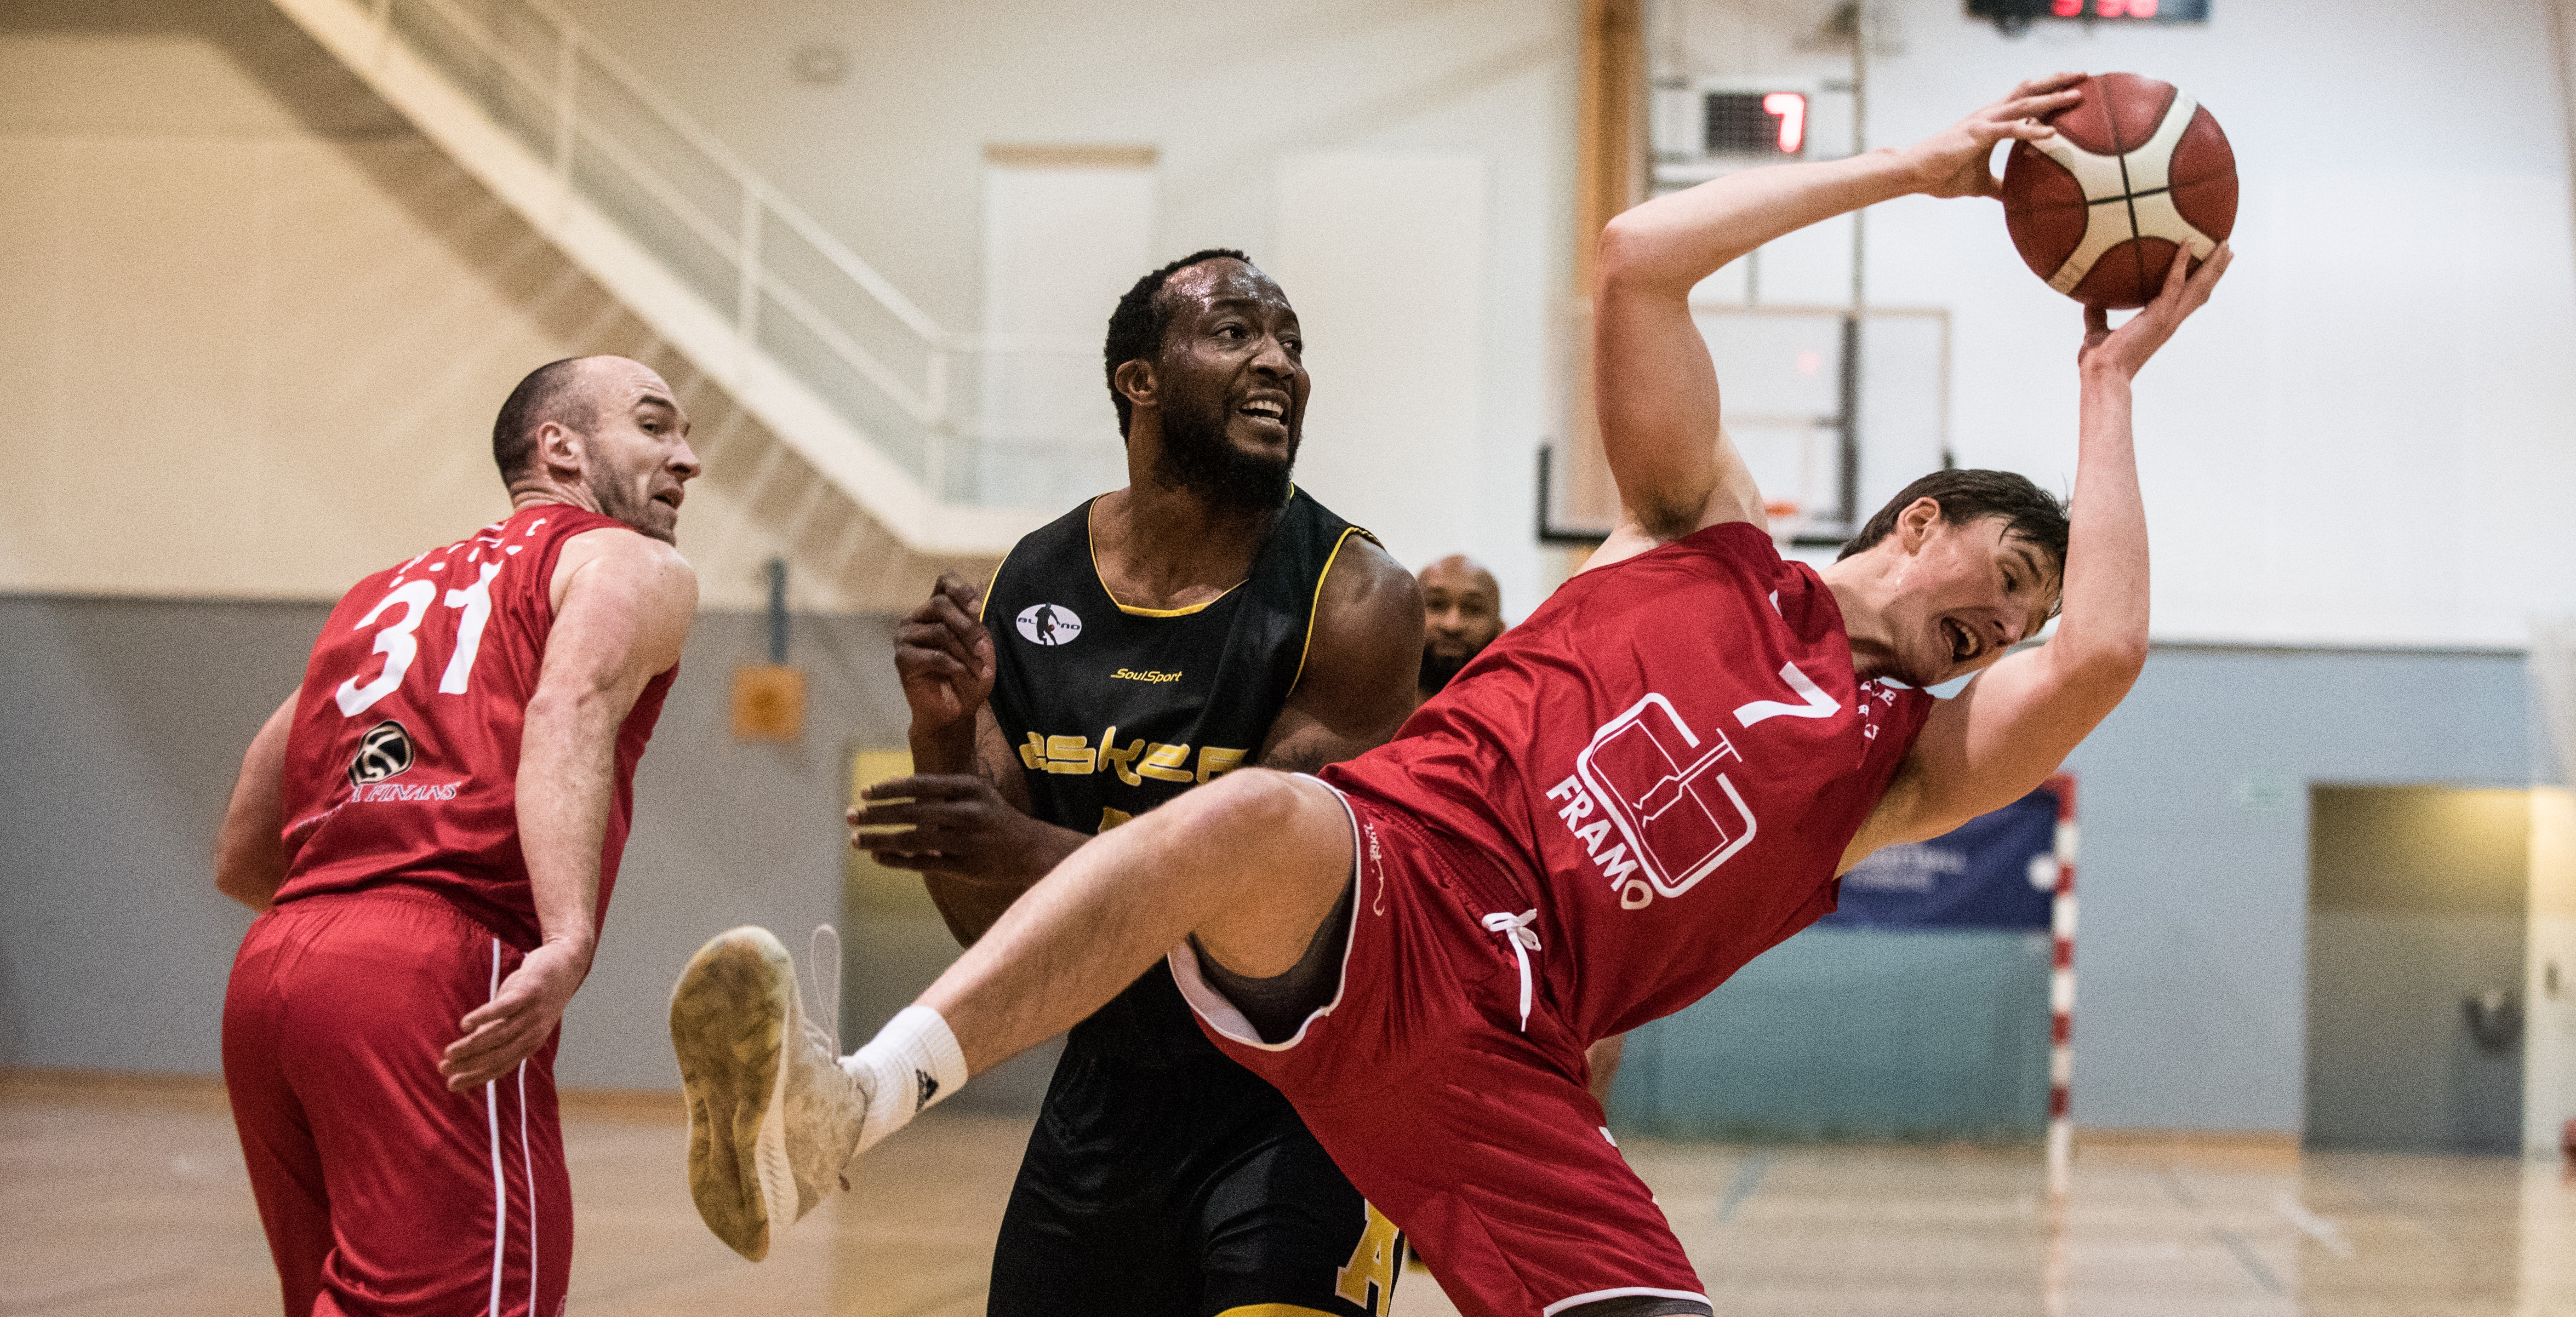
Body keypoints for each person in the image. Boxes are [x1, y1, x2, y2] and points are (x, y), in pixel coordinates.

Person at [670, 73, 2229, 1316]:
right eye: (2006, 576)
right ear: (1914, 523)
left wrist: (2107, 387)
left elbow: (2102, 653)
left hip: (1511, 1061)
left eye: (2020, 616)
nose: (2011, 625)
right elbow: (1636, 258)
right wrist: (1908, 171)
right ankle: (846, 1103)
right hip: (1386, 892)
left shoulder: (1896, 765)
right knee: (1263, 813)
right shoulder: (1704, 531)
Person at [785, 249, 1421, 1314]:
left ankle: (862, 1092)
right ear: (1139, 379)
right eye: (1235, 333)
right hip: (1108, 1091)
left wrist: (1023, 845)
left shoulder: (1352, 594)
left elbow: (1272, 911)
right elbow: (988, 923)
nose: (1278, 361)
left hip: (1300, 1093)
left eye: (1291, 342)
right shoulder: (1037, 577)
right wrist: (942, 736)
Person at [216, 356, 700, 1317]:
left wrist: (349, 923)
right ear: (559, 448)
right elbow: (570, 703)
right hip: (431, 969)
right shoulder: (627, 560)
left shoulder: (379, 596)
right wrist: (566, 935)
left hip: (275, 976)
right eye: (655, 426)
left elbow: (242, 846)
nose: (687, 459)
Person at [1414, 553, 1504, 708]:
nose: (1452, 626)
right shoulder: (1371, 706)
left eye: (1473, 609)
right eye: (1436, 605)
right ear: (1407, 619)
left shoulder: (1517, 717)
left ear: (1499, 630)